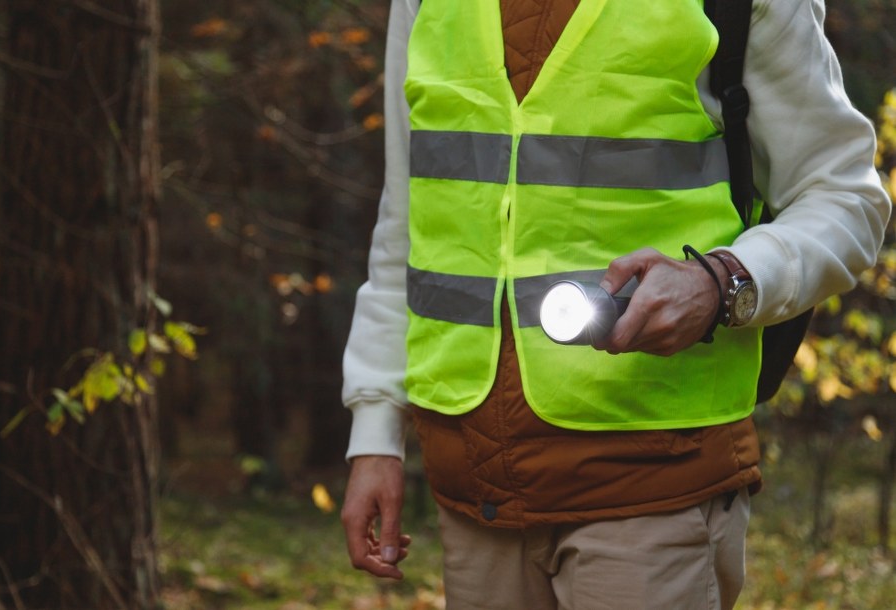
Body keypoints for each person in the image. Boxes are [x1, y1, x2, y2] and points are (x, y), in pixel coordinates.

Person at [340, 0, 891, 608]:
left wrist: (722, 281)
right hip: (473, 491)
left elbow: (844, 196)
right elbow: (408, 217)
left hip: (654, 483)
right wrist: (375, 431)